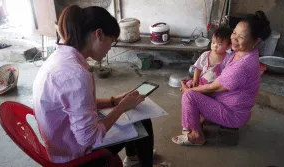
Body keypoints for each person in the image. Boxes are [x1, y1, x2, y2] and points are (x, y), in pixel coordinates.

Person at [33, 5, 169, 167]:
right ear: (98, 34)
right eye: (111, 40)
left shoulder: (59, 58)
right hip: (77, 157)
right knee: (142, 119)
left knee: (130, 112)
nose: (110, 48)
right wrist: (121, 108)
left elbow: (75, 103)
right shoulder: (76, 75)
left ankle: (133, 158)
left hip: (60, 144)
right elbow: (89, 139)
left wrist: (114, 101)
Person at [172, 11, 271, 146]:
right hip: (223, 99)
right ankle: (200, 119)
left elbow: (215, 87)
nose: (234, 39)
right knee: (190, 84)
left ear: (256, 41)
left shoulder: (243, 64)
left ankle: (197, 136)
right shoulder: (243, 52)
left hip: (231, 113)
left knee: (189, 95)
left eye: (241, 36)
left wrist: (189, 90)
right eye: (234, 33)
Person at [182, 27, 232, 134]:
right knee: (188, 84)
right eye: (213, 42)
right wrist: (195, 79)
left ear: (228, 46)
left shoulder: (228, 58)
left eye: (219, 44)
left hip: (215, 89)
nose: (215, 46)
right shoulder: (205, 55)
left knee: (195, 95)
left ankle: (203, 117)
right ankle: (188, 123)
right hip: (201, 83)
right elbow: (198, 68)